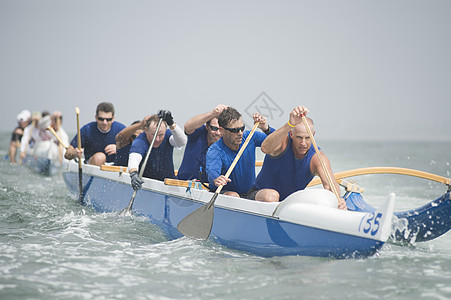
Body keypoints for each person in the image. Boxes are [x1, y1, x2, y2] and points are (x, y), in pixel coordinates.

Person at [252, 105, 347, 210]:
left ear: (313, 135)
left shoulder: (318, 158)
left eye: (307, 138)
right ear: (291, 134)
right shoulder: (283, 144)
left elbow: (330, 186)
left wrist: (338, 200)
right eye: (299, 137)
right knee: (271, 196)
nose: (303, 143)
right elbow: (265, 148)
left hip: (287, 205)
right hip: (260, 196)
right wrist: (290, 124)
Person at [205, 107, 277, 202]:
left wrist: (266, 128)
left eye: (241, 128)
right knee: (234, 197)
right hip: (226, 193)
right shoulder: (215, 150)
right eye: (234, 130)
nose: (240, 133)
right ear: (222, 131)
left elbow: (278, 143)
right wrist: (216, 179)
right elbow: (212, 171)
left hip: (249, 193)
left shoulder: (250, 137)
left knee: (271, 196)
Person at [128, 110, 187, 189]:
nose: (157, 139)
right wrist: (133, 174)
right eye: (153, 134)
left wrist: (171, 123)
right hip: (147, 186)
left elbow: (182, 142)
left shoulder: (168, 135)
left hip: (168, 186)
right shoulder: (140, 141)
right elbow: (134, 158)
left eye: (161, 135)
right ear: (146, 130)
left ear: (166, 130)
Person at [177, 104, 227, 182]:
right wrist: (213, 113)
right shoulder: (199, 132)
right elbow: (187, 127)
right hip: (183, 183)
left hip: (207, 188)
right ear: (207, 126)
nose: (217, 133)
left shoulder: (226, 142)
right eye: (214, 128)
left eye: (220, 130)